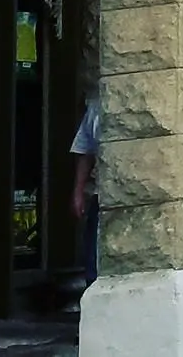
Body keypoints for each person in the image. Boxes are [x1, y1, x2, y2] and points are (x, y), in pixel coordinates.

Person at [70, 98, 100, 286]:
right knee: (93, 257)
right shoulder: (96, 107)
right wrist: (78, 191)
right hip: (101, 194)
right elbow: (85, 151)